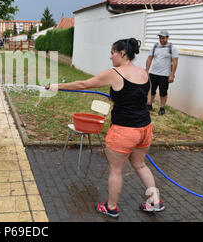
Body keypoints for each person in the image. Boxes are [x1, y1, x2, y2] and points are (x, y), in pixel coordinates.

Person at [46, 38, 164, 218]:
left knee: (116, 171)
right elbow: (145, 100)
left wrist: (57, 86)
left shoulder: (114, 73)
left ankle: (111, 207)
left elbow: (84, 84)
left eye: (112, 53)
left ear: (122, 53)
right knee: (140, 165)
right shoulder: (143, 73)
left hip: (124, 131)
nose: (110, 57)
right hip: (145, 129)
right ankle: (155, 201)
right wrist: (120, 98)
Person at [145, 30, 179, 116]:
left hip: (165, 74)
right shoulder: (155, 46)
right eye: (160, 38)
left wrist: (172, 75)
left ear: (167, 37)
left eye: (163, 38)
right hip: (153, 73)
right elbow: (149, 58)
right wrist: (146, 70)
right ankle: (149, 105)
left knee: (163, 92)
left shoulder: (172, 48)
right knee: (151, 90)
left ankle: (162, 108)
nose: (161, 40)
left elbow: (175, 62)